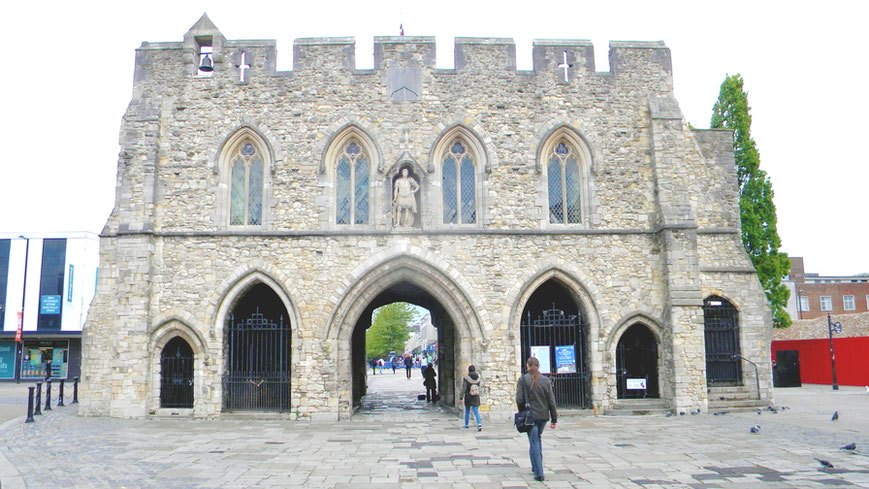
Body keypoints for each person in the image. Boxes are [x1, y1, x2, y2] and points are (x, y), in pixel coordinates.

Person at [516, 356, 557, 482]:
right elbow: (551, 401)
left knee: (534, 442)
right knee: (536, 439)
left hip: (531, 416)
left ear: (527, 366)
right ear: (538, 366)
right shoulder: (545, 380)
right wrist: (554, 419)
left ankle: (539, 473)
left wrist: (522, 411)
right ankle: (535, 467)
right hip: (543, 416)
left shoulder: (523, 380)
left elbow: (519, 399)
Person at [459, 365, 482, 431]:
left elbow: (464, 388)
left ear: (469, 370)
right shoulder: (478, 377)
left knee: (467, 411)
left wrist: (461, 397)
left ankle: (466, 425)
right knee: (476, 411)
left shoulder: (466, 378)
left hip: (468, 396)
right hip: (476, 395)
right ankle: (479, 424)